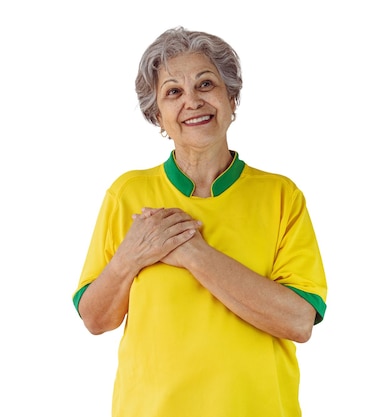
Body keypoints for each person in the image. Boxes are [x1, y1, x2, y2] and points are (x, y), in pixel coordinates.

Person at [72, 27, 327, 417]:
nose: (192, 101)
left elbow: (298, 320)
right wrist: (131, 256)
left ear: (231, 98)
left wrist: (192, 253)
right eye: (173, 91)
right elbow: (95, 318)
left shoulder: (281, 196)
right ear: (158, 114)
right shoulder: (128, 195)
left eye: (206, 84)